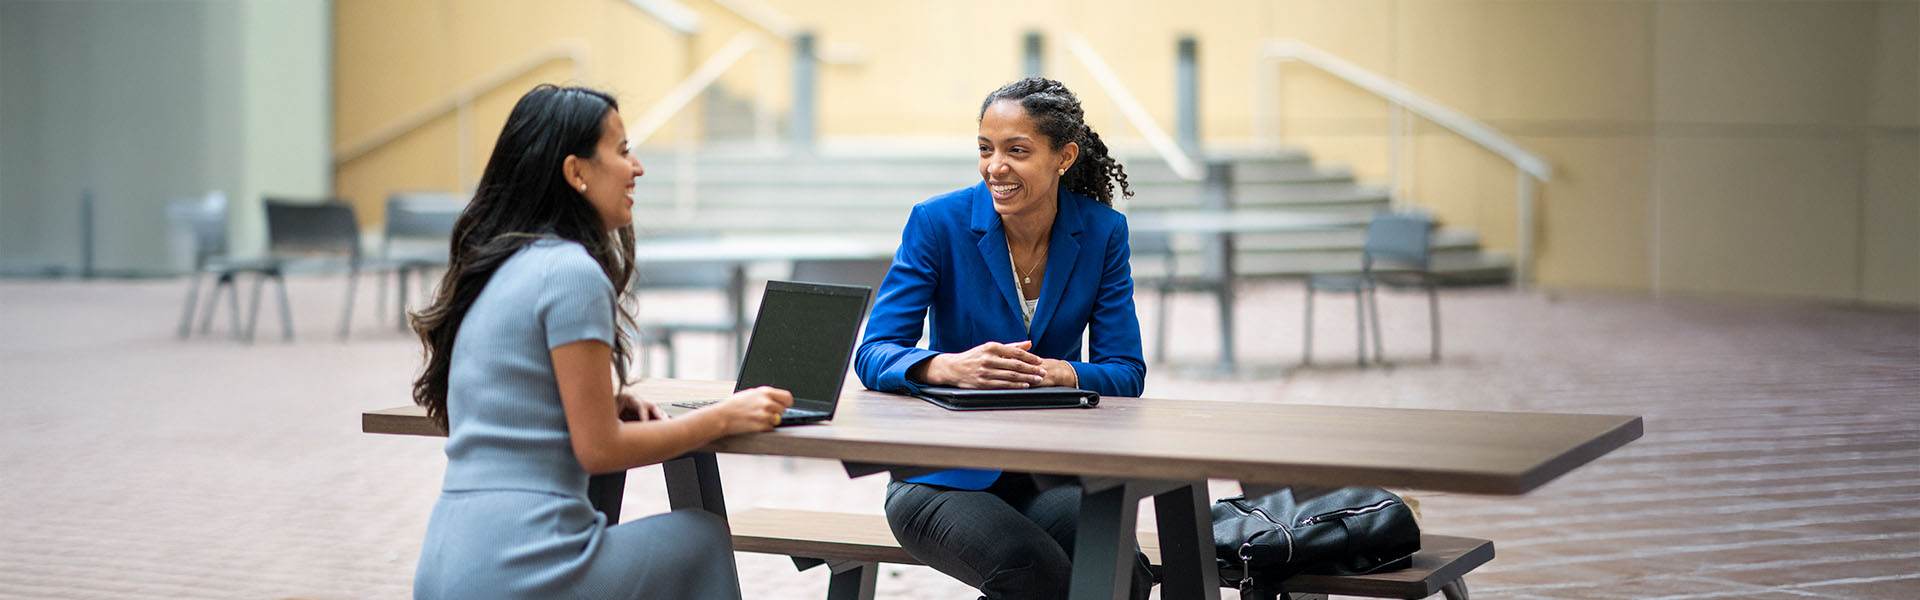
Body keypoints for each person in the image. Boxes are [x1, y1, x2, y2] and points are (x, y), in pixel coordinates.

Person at [408, 84, 792, 600]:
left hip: (446, 562)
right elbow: (600, 448)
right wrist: (723, 416)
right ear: (577, 172)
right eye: (622, 149)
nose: (637, 168)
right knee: (700, 536)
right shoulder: (571, 272)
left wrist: (600, 402)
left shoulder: (496, 267)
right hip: (520, 567)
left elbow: (514, 404)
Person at [853, 77, 1152, 599]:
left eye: (1017, 150)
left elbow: (1126, 370)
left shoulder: (1103, 231)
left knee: (1126, 577)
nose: (996, 166)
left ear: (1064, 157)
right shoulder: (937, 223)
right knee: (1030, 572)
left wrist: (1068, 373)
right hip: (940, 476)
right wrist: (946, 366)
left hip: (1048, 471)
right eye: (986, 149)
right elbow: (874, 352)